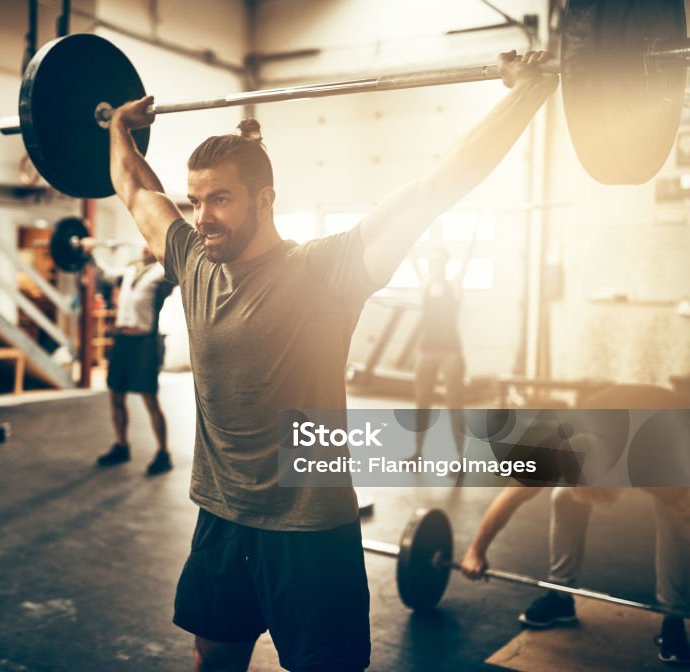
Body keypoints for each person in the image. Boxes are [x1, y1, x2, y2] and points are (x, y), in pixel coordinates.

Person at [109, 50, 557, 671]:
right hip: (222, 516)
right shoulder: (192, 260)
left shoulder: (323, 270)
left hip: (309, 527)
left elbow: (437, 189)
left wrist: (527, 94)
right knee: (212, 655)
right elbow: (135, 188)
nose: (204, 217)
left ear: (265, 199)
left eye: (221, 200)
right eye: (196, 201)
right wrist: (117, 128)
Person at [461, 385, 690, 666]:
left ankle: (674, 619)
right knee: (563, 498)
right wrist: (476, 550)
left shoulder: (652, 460)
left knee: (675, 517)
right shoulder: (553, 448)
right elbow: (510, 496)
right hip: (621, 418)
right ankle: (560, 596)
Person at [81, 238, 174, 475]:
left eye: (152, 243)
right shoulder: (130, 270)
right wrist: (90, 252)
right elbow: (105, 274)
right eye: (145, 242)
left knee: (149, 399)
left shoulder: (163, 275)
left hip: (144, 341)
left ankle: (163, 453)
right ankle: (121, 445)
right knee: (116, 395)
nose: (146, 246)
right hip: (122, 341)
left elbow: (180, 271)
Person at [410, 243, 474, 461]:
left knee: (455, 402)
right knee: (421, 401)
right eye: (433, 262)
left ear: (446, 264)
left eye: (440, 261)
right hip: (426, 349)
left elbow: (467, 258)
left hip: (451, 351)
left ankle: (459, 457)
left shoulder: (454, 286)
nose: (436, 265)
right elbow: (411, 256)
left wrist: (476, 229)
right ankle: (418, 452)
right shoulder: (425, 285)